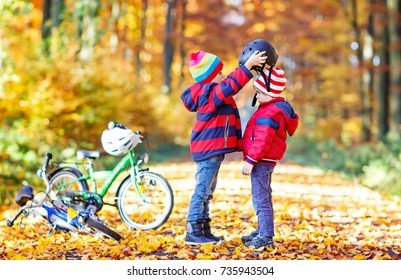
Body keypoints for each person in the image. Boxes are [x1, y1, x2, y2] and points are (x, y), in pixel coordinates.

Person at [181, 49, 267, 245]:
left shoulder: (211, 92)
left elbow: (229, 83)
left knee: (208, 191)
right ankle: (193, 230)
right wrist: (247, 67)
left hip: (212, 150)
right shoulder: (209, 93)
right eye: (219, 73)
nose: (223, 75)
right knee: (202, 190)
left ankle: (203, 229)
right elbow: (231, 85)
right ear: (210, 77)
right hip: (207, 150)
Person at [241, 67, 299, 248]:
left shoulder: (270, 112)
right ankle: (262, 230)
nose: (256, 97)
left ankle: (265, 237)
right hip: (264, 160)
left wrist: (251, 159)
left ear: (269, 93)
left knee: (260, 198)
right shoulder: (269, 108)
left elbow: (263, 140)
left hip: (261, 160)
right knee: (263, 196)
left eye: (259, 93)